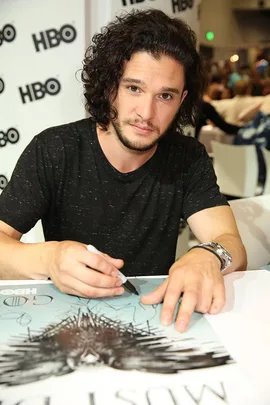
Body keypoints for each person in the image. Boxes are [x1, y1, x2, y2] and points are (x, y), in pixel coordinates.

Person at [0, 9, 247, 332]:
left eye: (165, 96)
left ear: (182, 99)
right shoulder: (54, 149)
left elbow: (232, 245)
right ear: (109, 85)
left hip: (157, 323)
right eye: (134, 88)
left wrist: (209, 255)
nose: (146, 112)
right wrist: (48, 259)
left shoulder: (187, 157)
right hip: (66, 325)